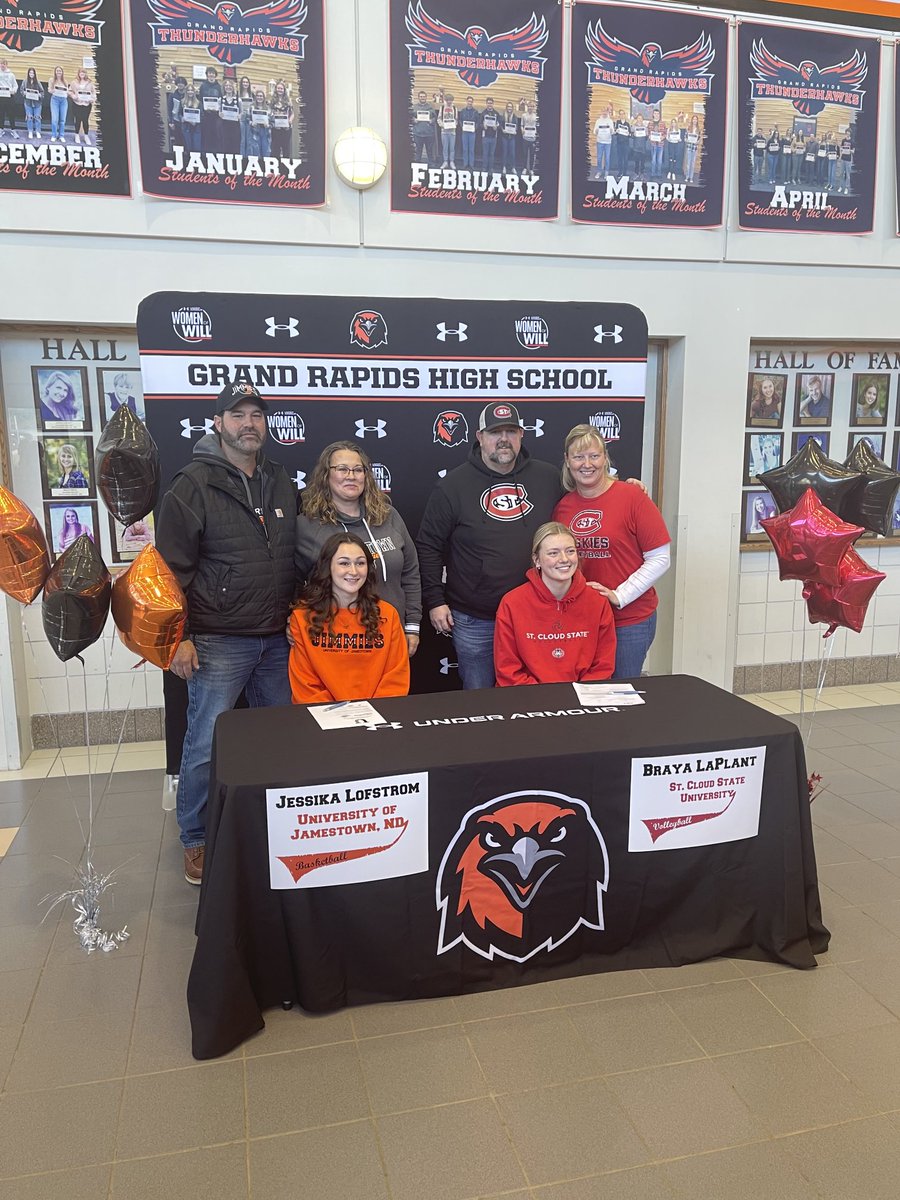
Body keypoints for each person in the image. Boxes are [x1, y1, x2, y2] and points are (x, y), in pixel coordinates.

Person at [155, 382, 296, 886]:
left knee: (279, 739)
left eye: (256, 415)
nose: (249, 424)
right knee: (205, 745)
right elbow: (169, 571)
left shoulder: (280, 479)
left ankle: (272, 827)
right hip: (217, 639)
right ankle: (195, 838)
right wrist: (178, 636)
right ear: (218, 423)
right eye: (238, 415)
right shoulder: (192, 484)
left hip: (276, 637)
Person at [417, 402, 561, 690]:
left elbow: (589, 494)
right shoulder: (453, 485)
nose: (503, 439)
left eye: (511, 431)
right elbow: (429, 545)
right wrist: (435, 600)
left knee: (538, 695)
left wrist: (625, 487)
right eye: (495, 432)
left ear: (521, 435)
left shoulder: (549, 478)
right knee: (479, 697)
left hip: (537, 615)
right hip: (475, 618)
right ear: (480, 437)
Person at [553, 425, 670, 680]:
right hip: (584, 620)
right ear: (567, 461)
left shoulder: (632, 497)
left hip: (628, 620)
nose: (587, 464)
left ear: (605, 458)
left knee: (619, 694)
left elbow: (660, 557)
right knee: (586, 693)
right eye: (578, 457)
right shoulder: (563, 507)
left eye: (594, 456)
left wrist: (620, 595)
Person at [295, 441, 421, 655]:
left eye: (357, 470)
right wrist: (293, 620)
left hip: (391, 633)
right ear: (326, 475)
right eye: (342, 469)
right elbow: (293, 582)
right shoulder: (307, 525)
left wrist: (412, 625)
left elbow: (410, 572)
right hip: (334, 642)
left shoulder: (388, 516)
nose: (351, 476)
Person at [289, 533, 410, 704]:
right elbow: (305, 683)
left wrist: (371, 712)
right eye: (344, 563)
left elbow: (396, 678)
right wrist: (336, 714)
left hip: (378, 713)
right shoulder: (303, 617)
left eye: (360, 563)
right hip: (322, 714)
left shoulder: (387, 615)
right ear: (327, 567)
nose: (353, 571)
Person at [494, 523, 616, 687]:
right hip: (527, 694)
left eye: (570, 551)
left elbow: (603, 666)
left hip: (583, 695)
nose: (564, 559)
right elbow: (507, 669)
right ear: (537, 560)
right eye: (553, 553)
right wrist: (546, 696)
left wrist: (578, 694)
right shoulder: (512, 603)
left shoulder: (597, 601)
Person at [68, 68, 95, 146]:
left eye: (83, 72)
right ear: (78, 73)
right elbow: (69, 91)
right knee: (78, 120)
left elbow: (93, 92)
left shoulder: (90, 82)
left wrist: (92, 99)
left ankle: (86, 136)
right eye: (81, 72)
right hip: (77, 104)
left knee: (85, 120)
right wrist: (73, 96)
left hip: (86, 104)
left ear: (85, 74)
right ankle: (77, 135)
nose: (82, 74)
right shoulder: (74, 82)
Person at [198, 65, 222, 152]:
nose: (211, 75)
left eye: (213, 73)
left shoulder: (219, 87)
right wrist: (203, 110)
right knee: (206, 135)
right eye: (209, 73)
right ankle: (206, 153)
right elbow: (200, 100)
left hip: (216, 116)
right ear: (207, 75)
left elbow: (221, 100)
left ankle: (216, 153)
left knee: (216, 135)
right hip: (206, 115)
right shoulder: (203, 86)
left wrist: (218, 109)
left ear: (215, 75)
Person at [269, 79, 292, 158]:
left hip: (286, 129)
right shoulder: (272, 100)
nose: (280, 90)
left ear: (284, 90)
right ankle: (276, 164)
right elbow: (270, 112)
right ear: (276, 89)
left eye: (281, 88)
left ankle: (285, 165)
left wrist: (290, 120)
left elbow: (292, 113)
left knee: (286, 149)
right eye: (278, 88)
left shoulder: (288, 100)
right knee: (275, 148)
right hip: (276, 128)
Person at [411, 89, 435, 165]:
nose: (422, 98)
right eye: (421, 96)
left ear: (426, 97)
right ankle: (417, 164)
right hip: (418, 132)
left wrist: (432, 121)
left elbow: (435, 117)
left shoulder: (430, 107)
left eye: (424, 96)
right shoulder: (414, 107)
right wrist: (413, 120)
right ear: (418, 97)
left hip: (429, 133)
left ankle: (431, 163)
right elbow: (410, 117)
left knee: (430, 150)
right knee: (418, 150)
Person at [219, 77, 241, 153]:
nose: (228, 87)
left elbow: (241, 112)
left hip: (235, 127)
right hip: (224, 126)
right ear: (224, 87)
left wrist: (240, 116)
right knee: (225, 145)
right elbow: (219, 111)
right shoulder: (220, 99)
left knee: (235, 145)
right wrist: (220, 114)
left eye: (230, 85)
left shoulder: (238, 100)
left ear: (233, 87)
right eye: (226, 85)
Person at [20, 68, 43, 140]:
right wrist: (24, 93)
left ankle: (38, 131)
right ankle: (30, 131)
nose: (31, 74)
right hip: (28, 103)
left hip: (37, 103)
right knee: (29, 117)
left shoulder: (38, 82)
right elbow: (21, 90)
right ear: (28, 74)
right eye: (30, 73)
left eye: (32, 73)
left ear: (35, 74)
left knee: (37, 117)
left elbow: (42, 92)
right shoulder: (25, 82)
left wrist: (39, 95)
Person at [47, 66, 68, 143]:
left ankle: (61, 135)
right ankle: (54, 135)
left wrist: (66, 93)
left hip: (63, 100)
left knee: (62, 120)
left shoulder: (65, 81)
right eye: (57, 71)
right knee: (54, 119)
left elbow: (67, 91)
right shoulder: (51, 80)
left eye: (60, 71)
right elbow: (49, 90)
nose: (59, 72)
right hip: (55, 100)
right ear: (55, 72)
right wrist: (53, 90)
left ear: (62, 72)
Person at [592, 104, 613, 178]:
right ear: (601, 112)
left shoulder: (610, 121)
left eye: (605, 111)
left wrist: (611, 130)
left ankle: (606, 172)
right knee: (599, 158)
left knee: (607, 158)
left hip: (608, 142)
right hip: (600, 142)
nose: (604, 113)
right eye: (603, 111)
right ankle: (599, 171)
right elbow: (594, 132)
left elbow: (613, 132)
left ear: (607, 112)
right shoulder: (598, 121)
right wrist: (596, 131)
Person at [249, 87, 270, 156]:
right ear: (255, 97)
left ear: (264, 98)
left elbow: (272, 121)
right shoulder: (252, 107)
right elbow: (248, 118)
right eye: (258, 96)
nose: (259, 97)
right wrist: (251, 123)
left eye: (261, 96)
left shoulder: (268, 108)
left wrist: (268, 125)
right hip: (255, 132)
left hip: (265, 132)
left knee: (265, 152)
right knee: (256, 152)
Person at [180, 83, 201, 152]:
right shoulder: (182, 102)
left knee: (197, 148)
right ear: (186, 92)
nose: (190, 92)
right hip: (186, 128)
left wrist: (196, 122)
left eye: (192, 90)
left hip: (196, 128)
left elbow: (202, 116)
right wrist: (181, 118)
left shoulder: (198, 103)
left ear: (194, 92)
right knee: (188, 148)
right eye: (188, 90)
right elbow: (179, 114)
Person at [459, 96, 479, 169]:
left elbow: (478, 122)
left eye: (471, 101)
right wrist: (462, 126)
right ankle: (465, 163)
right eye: (468, 101)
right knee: (465, 149)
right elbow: (460, 120)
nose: (470, 103)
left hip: (472, 133)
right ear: (466, 102)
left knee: (471, 149)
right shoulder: (463, 111)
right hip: (465, 132)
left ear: (472, 102)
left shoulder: (475, 112)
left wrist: (475, 128)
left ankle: (471, 164)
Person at [439, 92, 458, 167]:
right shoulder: (442, 108)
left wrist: (454, 124)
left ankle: (452, 161)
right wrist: (442, 125)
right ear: (445, 100)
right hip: (444, 132)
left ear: (452, 100)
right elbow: (439, 119)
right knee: (445, 148)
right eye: (448, 100)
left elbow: (456, 119)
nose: (449, 101)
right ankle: (445, 161)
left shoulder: (454, 108)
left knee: (452, 148)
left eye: (450, 100)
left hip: (452, 132)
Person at [480, 96, 499, 170]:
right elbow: (479, 124)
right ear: (486, 104)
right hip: (485, 136)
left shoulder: (496, 113)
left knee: (492, 153)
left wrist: (496, 127)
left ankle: (491, 167)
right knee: (485, 153)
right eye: (488, 103)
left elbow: (499, 124)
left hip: (494, 137)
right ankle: (484, 167)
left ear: (493, 104)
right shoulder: (483, 113)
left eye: (491, 103)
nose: (489, 104)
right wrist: (483, 126)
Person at [0, 60, 17, 139]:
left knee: (11, 114)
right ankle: (1, 129)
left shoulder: (11, 75)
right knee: (1, 114)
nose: (2, 65)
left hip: (9, 97)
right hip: (1, 96)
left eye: (3, 64)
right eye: (1, 64)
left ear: (6, 65)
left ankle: (13, 130)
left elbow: (15, 85)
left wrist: (13, 91)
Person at [499, 102, 517, 172]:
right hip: (505, 137)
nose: (509, 108)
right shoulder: (503, 116)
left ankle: (513, 167)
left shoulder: (514, 116)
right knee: (504, 152)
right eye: (508, 107)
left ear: (512, 108)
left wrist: (515, 131)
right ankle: (504, 167)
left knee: (512, 153)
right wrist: (502, 130)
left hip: (512, 138)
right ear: (506, 108)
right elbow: (500, 125)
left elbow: (516, 126)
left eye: (511, 107)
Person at [238, 76, 254, 155]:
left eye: (247, 82)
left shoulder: (252, 94)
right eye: (243, 82)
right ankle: (242, 157)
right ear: (241, 83)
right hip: (241, 118)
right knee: (242, 140)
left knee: (249, 140)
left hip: (249, 118)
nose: (245, 84)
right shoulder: (238, 94)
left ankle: (248, 157)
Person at [612, 109, 631, 174]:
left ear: (624, 115)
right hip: (619, 143)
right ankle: (620, 172)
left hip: (626, 144)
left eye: (623, 114)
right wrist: (616, 131)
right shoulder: (617, 122)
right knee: (619, 158)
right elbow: (615, 133)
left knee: (625, 158)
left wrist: (629, 134)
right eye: (620, 114)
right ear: (619, 115)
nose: (622, 115)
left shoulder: (627, 124)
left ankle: (625, 172)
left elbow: (630, 134)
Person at [520, 100, 538, 172]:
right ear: (527, 107)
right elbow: (521, 125)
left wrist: (536, 133)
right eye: (529, 106)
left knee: (532, 154)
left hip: (533, 138)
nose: (530, 108)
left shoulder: (536, 116)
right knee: (524, 154)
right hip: (525, 137)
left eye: (532, 106)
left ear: (534, 107)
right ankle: (524, 168)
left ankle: (531, 169)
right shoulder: (523, 115)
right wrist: (522, 130)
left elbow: (537, 126)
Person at [683, 115, 701, 184]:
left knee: (692, 163)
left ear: (697, 121)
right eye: (693, 119)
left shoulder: (698, 129)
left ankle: (691, 177)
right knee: (688, 163)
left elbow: (699, 139)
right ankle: (687, 177)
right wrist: (687, 140)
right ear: (692, 120)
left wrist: (697, 142)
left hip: (694, 148)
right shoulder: (688, 128)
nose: (694, 120)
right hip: (689, 147)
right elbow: (685, 137)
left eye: (696, 119)